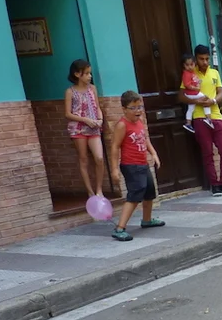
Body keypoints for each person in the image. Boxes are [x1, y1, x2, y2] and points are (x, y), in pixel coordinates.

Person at [179, 45, 222, 196]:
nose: (204, 62)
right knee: (207, 153)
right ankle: (215, 185)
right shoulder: (191, 73)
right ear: (196, 59)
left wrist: (213, 101)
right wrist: (196, 101)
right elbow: (181, 96)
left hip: (216, 116)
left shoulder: (214, 73)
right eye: (201, 59)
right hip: (199, 117)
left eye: (207, 59)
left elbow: (221, 91)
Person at [109, 91, 165, 242]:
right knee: (135, 195)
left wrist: (153, 153)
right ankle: (120, 228)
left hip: (143, 164)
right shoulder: (122, 125)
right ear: (124, 109)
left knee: (149, 192)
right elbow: (115, 147)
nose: (137, 111)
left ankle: (147, 220)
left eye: (139, 107)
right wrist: (114, 169)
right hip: (131, 165)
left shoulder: (139, 122)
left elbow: (145, 139)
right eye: (133, 108)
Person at [64, 59, 104, 201]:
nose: (89, 76)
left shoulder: (92, 89)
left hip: (93, 128)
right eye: (86, 73)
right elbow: (68, 113)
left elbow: (97, 107)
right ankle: (90, 191)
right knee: (83, 159)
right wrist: (85, 120)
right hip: (78, 129)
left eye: (90, 73)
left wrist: (100, 119)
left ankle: (99, 189)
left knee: (99, 158)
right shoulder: (70, 91)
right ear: (77, 74)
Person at [180, 54, 214, 133]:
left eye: (191, 64)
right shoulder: (186, 74)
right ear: (184, 65)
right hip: (192, 93)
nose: (189, 67)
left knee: (190, 108)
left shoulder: (192, 73)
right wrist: (195, 88)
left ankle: (188, 123)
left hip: (192, 94)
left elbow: (194, 81)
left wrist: (198, 82)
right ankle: (208, 119)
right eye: (187, 65)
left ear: (194, 64)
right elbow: (187, 85)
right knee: (206, 99)